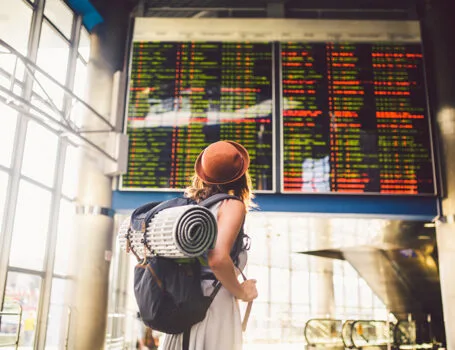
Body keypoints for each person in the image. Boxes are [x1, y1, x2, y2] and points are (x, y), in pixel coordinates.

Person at [160, 140, 258, 350]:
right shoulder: (231, 205)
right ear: (241, 177)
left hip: (184, 304)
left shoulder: (190, 209)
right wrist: (242, 292)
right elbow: (218, 259)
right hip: (213, 306)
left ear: (203, 175)